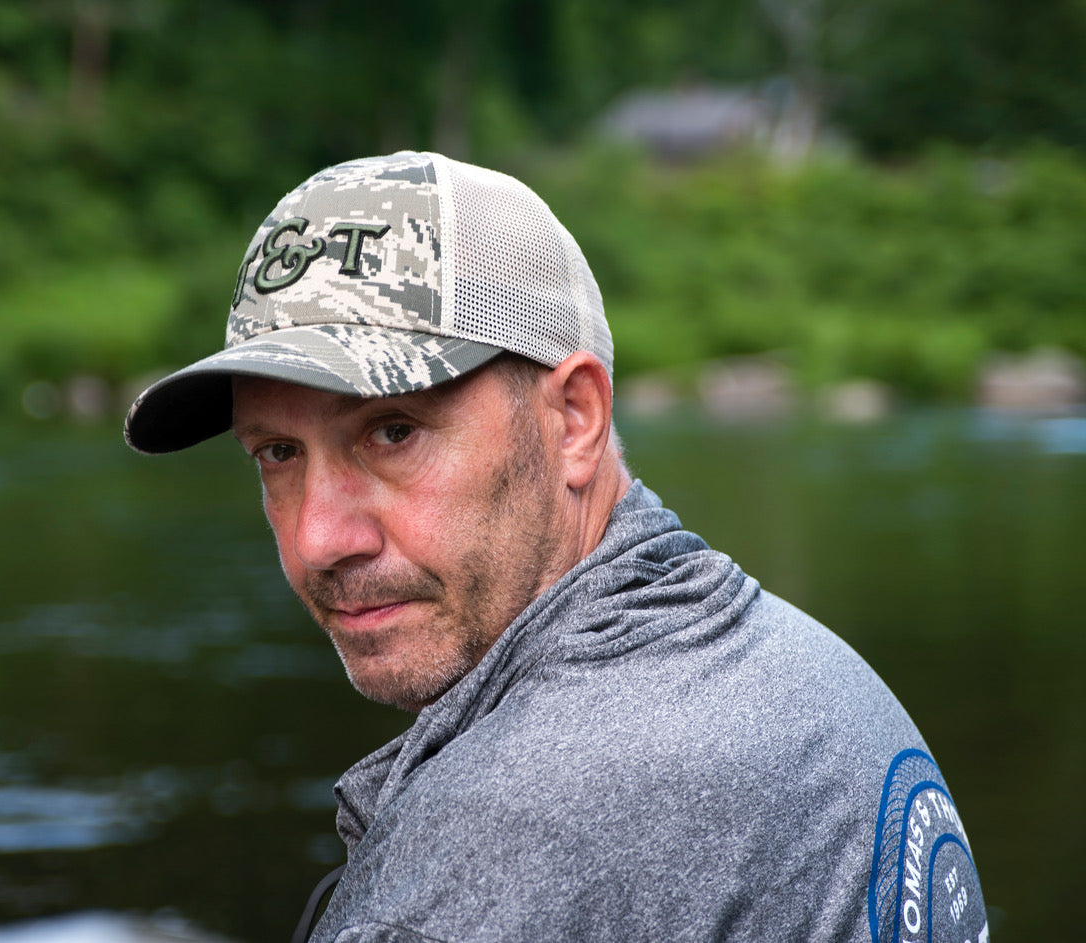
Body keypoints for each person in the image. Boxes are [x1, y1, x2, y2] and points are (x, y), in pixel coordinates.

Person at [124, 152, 987, 942]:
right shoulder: (798, 664)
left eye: (392, 431)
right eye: (277, 453)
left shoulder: (495, 859)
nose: (318, 537)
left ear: (574, 418)